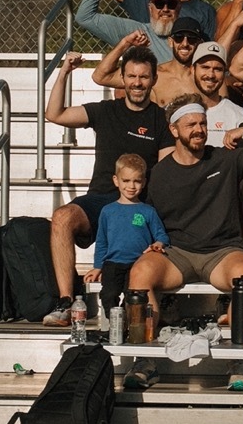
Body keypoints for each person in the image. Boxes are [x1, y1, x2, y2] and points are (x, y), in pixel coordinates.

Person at [127, 98, 243, 391]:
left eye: (202, 123)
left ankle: (239, 362)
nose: (199, 130)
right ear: (174, 130)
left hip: (223, 251)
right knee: (140, 275)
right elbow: (145, 217)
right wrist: (148, 244)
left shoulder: (227, 158)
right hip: (177, 252)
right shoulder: (159, 173)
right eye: (191, 125)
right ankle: (144, 360)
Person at [43, 46, 171, 322]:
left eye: (144, 77)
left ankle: (134, 308)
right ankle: (66, 301)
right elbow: (54, 114)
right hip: (102, 201)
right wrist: (64, 71)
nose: (137, 83)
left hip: (138, 203)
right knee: (62, 217)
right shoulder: (105, 111)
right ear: (122, 78)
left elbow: (168, 171)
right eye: (132, 76)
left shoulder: (161, 119)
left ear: (153, 79)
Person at [83, 153, 169, 326]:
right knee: (108, 295)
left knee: (133, 296)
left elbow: (161, 235)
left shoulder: (147, 211)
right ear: (116, 180)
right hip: (113, 264)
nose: (131, 186)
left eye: (137, 181)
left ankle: (127, 322)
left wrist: (158, 244)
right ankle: (116, 322)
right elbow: (101, 242)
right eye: (126, 181)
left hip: (137, 264)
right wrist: (97, 266)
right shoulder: (107, 211)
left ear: (144, 183)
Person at [91, 18, 203, 106]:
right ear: (170, 42)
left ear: (199, 43)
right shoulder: (155, 74)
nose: (185, 43)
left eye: (192, 39)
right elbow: (100, 77)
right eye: (179, 38)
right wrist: (125, 43)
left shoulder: (206, 77)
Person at [76, 0, 182, 66]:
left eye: (171, 4)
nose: (165, 9)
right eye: (159, 4)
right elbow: (85, 17)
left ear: (179, 8)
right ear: (150, 7)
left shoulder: (188, 37)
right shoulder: (136, 33)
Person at [191, 41, 243, 145]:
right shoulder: (178, 112)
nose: (210, 75)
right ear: (193, 70)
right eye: (205, 67)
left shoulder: (240, 117)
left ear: (224, 73)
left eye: (218, 69)